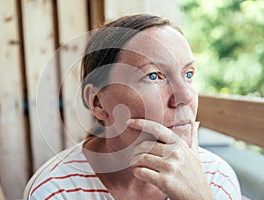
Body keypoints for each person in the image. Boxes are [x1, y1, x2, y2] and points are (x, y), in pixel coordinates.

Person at [24, 14, 241, 200]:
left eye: (188, 74)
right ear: (98, 102)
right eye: (153, 76)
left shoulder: (214, 177)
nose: (185, 96)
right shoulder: (55, 191)